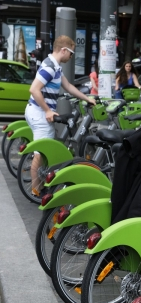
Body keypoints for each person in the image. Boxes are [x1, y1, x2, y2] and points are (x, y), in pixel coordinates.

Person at [26, 35, 96, 197]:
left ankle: (39, 186)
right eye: (71, 53)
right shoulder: (50, 67)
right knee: (41, 153)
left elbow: (69, 86)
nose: (71, 57)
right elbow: (34, 89)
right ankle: (37, 190)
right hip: (39, 113)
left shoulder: (55, 66)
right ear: (63, 50)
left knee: (43, 150)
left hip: (35, 111)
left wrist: (87, 98)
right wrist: (47, 110)